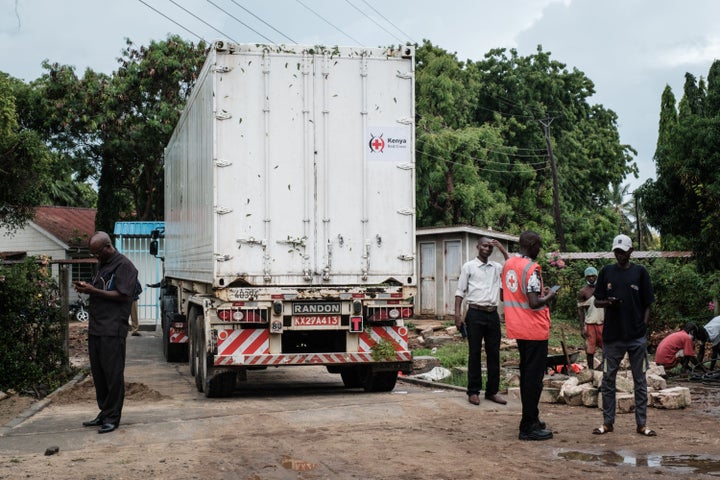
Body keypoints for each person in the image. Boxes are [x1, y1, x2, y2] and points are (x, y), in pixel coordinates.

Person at [74, 231, 139, 434]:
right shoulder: (103, 264)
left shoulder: (125, 266)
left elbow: (122, 295)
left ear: (108, 247)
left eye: (97, 253)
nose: (96, 257)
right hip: (96, 327)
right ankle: (104, 412)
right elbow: (100, 287)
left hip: (113, 328)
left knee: (113, 375)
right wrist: (87, 287)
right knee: (99, 374)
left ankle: (113, 417)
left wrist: (92, 291)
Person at [592, 234, 656, 437]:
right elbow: (597, 301)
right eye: (616, 252)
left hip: (636, 337)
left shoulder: (640, 272)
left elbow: (648, 303)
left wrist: (643, 326)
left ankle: (642, 424)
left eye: (622, 251)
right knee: (608, 379)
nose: (619, 255)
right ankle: (608, 423)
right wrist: (607, 303)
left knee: (640, 381)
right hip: (612, 337)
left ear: (630, 251)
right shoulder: (606, 272)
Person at [502, 230, 556, 441]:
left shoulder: (509, 265)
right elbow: (534, 302)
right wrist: (549, 295)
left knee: (527, 376)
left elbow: (505, 294)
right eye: (539, 245)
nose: (539, 249)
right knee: (533, 380)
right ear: (532, 244)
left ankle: (532, 418)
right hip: (534, 329)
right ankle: (527, 426)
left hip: (518, 326)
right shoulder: (531, 268)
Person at [455, 237, 509, 406]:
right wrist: (457, 315)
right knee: (475, 353)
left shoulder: (496, 267)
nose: (487, 248)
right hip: (475, 313)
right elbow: (460, 292)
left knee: (494, 353)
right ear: (477, 247)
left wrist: (501, 248)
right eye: (484, 245)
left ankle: (492, 391)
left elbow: (512, 265)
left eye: (490, 246)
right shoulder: (469, 266)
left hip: (492, 314)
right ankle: (473, 391)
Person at [577, 266, 604, 369]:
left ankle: (603, 368)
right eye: (589, 277)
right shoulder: (583, 292)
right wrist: (581, 327)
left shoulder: (602, 288)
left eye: (593, 276)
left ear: (596, 276)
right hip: (590, 323)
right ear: (585, 278)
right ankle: (591, 370)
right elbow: (580, 310)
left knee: (606, 347)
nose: (591, 278)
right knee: (590, 349)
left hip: (602, 322)